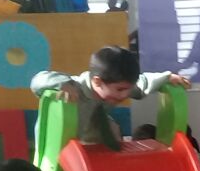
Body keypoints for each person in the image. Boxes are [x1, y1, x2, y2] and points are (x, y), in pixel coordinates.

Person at [31, 45, 189, 151]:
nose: (125, 95)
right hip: (59, 146)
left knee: (112, 127)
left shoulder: (115, 86)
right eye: (120, 89)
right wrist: (62, 84)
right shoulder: (76, 87)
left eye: (128, 89)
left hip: (92, 140)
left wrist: (167, 78)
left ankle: (110, 157)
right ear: (97, 82)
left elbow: (143, 82)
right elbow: (38, 80)